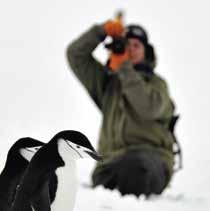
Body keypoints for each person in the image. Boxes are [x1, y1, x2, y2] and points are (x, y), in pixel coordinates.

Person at [66, 20, 180, 197]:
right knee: (104, 183)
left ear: (146, 52)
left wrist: (123, 68)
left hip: (152, 160)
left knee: (136, 167)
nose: (132, 49)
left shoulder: (157, 84)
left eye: (136, 45)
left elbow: (148, 108)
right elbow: (75, 55)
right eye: (127, 45)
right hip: (109, 164)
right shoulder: (108, 84)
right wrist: (101, 31)